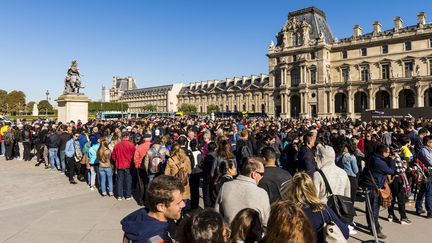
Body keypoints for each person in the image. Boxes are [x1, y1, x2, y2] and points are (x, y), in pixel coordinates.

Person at [281, 172, 349, 243]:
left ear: (291, 189)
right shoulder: (322, 209)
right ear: (312, 188)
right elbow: (345, 233)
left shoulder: (287, 211)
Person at [121, 175, 185, 243]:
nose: (183, 205)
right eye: (178, 203)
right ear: (161, 207)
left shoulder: (135, 222)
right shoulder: (160, 240)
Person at [215, 157, 270, 227]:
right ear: (254, 174)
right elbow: (265, 221)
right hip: (252, 236)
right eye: (261, 174)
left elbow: (217, 215)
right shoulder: (262, 193)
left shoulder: (225, 187)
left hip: (230, 234)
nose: (262, 177)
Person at [360, 144, 396, 239]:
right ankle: (375, 229)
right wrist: (392, 160)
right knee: (373, 209)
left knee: (371, 208)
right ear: (383, 153)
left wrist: (388, 158)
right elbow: (391, 171)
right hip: (372, 187)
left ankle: (374, 225)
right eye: (388, 152)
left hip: (369, 184)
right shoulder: (378, 161)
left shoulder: (373, 156)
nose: (389, 153)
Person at [165, 143, 192, 210]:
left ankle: (179, 218)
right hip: (184, 182)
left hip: (174, 184)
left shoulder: (170, 160)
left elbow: (166, 174)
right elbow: (189, 171)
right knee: (184, 202)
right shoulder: (186, 158)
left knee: (176, 203)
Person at [112, 131, 136, 200]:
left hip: (120, 164)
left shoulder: (117, 145)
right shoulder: (131, 145)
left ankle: (120, 195)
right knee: (128, 180)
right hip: (128, 165)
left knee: (120, 180)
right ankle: (128, 195)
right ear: (127, 136)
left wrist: (116, 161)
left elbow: (113, 156)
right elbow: (134, 155)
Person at [416, 135, 432, 218]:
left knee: (423, 190)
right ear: (428, 143)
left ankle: (418, 207)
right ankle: (430, 211)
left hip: (428, 172)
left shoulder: (429, 150)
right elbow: (430, 162)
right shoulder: (424, 151)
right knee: (429, 192)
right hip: (427, 173)